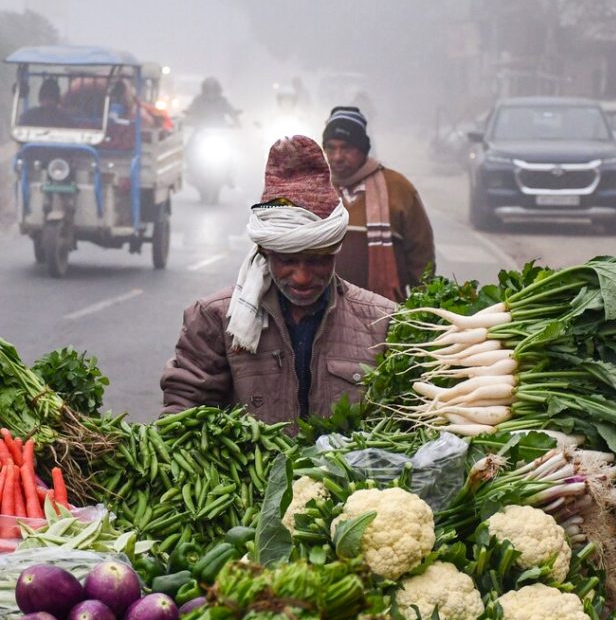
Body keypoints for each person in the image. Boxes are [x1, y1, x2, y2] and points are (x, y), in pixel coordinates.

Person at [161, 135, 395, 426]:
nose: (302, 277)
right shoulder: (215, 320)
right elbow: (184, 412)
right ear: (264, 252)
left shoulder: (380, 323)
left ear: (335, 252)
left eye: (317, 260)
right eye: (287, 261)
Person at [322, 106, 436, 301]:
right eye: (331, 148)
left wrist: (421, 311)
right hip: (323, 317)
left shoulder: (399, 189)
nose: (337, 157)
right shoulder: (315, 189)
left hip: (384, 316)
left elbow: (422, 259)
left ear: (363, 150)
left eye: (346, 148)